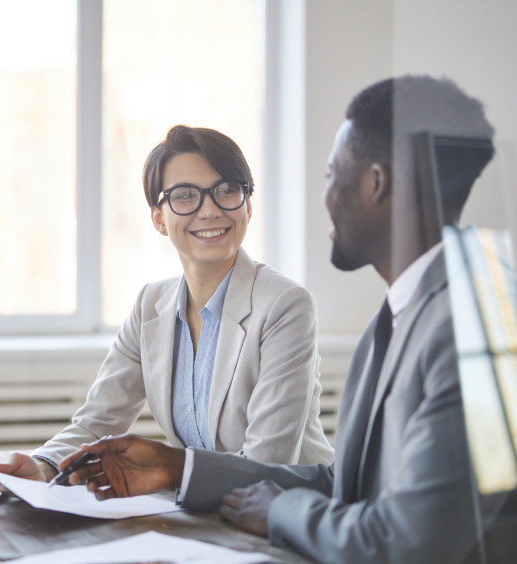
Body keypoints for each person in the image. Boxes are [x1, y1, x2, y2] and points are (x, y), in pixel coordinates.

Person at [59, 76, 499, 564]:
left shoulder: (468, 333)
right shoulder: (393, 319)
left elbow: (407, 541)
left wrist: (282, 509)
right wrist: (173, 468)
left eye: (333, 174)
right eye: (185, 196)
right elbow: (346, 484)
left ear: (376, 183)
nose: (325, 197)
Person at [0, 126, 334, 483]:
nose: (209, 211)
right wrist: (45, 464)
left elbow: (267, 464)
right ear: (159, 217)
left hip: (289, 516)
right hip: (204, 515)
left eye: (226, 191)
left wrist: (169, 472)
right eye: (186, 196)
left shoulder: (285, 306)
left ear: (247, 204)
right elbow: (97, 421)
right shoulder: (150, 306)